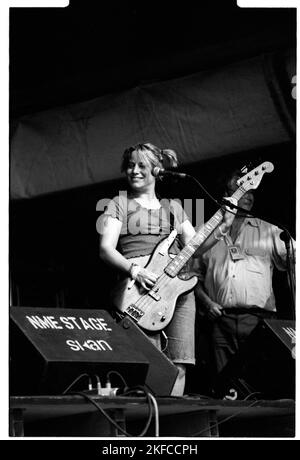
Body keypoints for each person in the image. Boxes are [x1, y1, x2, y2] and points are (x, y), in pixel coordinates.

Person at [98, 142, 235, 396]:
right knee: (148, 362)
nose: (134, 171)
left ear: (157, 170)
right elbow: (106, 248)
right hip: (139, 288)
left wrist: (224, 225)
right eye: (130, 165)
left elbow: (194, 247)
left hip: (176, 288)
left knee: (179, 363)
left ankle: (169, 424)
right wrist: (135, 270)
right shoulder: (119, 203)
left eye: (141, 165)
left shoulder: (173, 207)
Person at [195, 167, 294, 391]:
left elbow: (294, 262)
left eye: (251, 190)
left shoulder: (270, 231)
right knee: (224, 386)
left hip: (259, 321)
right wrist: (206, 303)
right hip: (220, 322)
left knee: (259, 383)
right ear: (226, 196)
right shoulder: (204, 233)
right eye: (241, 189)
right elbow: (189, 276)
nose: (248, 194)